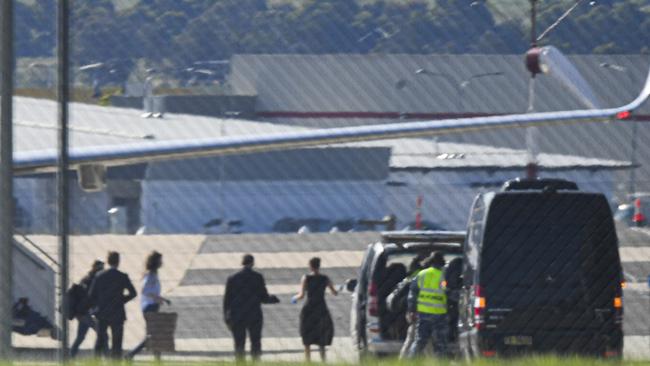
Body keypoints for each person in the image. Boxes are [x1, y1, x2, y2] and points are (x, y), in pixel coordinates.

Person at [223, 254, 280, 361]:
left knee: (239, 343)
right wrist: (273, 299)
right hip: (254, 314)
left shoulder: (232, 278)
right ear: (252, 263)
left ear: (242, 263)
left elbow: (227, 300)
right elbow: (263, 297)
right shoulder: (258, 277)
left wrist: (226, 316)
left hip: (237, 315)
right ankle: (255, 362)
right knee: (255, 342)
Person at [88, 251, 137, 359]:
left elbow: (91, 295)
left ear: (108, 261)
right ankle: (115, 362)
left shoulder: (99, 276)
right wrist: (121, 300)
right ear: (118, 262)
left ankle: (95, 362)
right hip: (117, 312)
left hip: (102, 312)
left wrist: (99, 303)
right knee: (117, 343)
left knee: (100, 340)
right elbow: (133, 293)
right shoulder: (122, 276)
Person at [126, 251, 171, 360]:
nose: (162, 263)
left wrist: (161, 299)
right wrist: (159, 298)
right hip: (150, 307)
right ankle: (131, 355)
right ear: (156, 262)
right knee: (152, 335)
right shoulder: (151, 275)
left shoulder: (154, 274)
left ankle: (157, 359)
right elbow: (145, 290)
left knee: (154, 334)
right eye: (160, 260)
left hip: (153, 306)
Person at [292, 257, 338, 362]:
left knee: (307, 337)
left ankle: (308, 361)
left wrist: (294, 298)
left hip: (309, 308)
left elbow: (302, 295)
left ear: (310, 266)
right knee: (321, 335)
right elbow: (334, 292)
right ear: (319, 265)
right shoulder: (325, 278)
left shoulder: (306, 278)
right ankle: (323, 360)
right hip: (321, 308)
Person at [407, 252, 448, 358]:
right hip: (439, 314)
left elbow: (412, 293)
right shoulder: (443, 276)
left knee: (419, 341)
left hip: (423, 313)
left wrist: (412, 310)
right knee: (440, 343)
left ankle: (410, 362)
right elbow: (448, 292)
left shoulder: (421, 274)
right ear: (442, 263)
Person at [385, 254, 425, 359]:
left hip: (410, 315)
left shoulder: (409, 279)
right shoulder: (422, 277)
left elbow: (392, 301)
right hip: (420, 314)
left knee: (411, 340)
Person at [70, 259, 104, 358]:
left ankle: (71, 356)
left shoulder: (87, 279)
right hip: (86, 313)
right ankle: (100, 358)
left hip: (83, 313)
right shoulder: (91, 280)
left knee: (80, 337)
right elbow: (90, 298)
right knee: (102, 335)